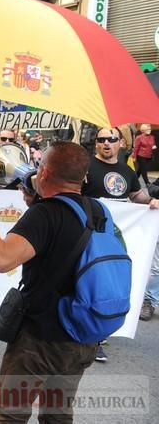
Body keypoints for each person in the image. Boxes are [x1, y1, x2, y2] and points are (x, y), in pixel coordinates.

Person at [0, 141, 100, 423]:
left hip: (41, 339)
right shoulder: (97, 211)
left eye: (39, 166)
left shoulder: (46, 214)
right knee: (58, 415)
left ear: (45, 172)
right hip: (83, 335)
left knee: (10, 415)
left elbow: (1, 259)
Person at [83, 126, 159, 361]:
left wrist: (153, 201)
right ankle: (92, 337)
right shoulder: (85, 167)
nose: (106, 143)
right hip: (87, 236)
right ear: (95, 143)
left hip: (113, 239)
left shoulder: (126, 171)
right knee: (89, 283)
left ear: (121, 143)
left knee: (108, 284)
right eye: (101, 139)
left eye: (111, 139)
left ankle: (99, 331)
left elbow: (137, 196)